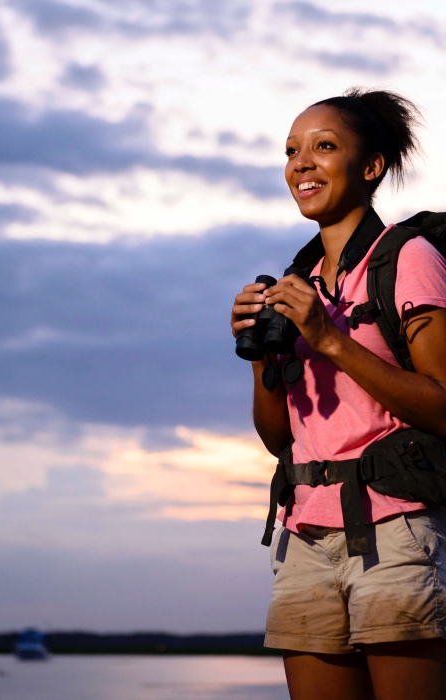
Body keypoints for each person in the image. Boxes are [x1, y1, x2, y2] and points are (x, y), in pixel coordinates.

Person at [230, 88, 446, 700]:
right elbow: (280, 439)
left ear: (371, 166)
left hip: (396, 529)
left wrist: (329, 339)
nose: (301, 163)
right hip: (304, 534)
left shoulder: (407, 258)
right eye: (292, 150)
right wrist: (259, 355)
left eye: (324, 147)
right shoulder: (297, 285)